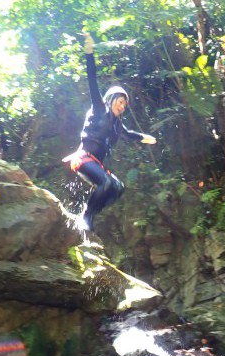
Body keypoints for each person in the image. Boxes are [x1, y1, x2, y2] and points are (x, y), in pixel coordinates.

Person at [63, 32, 157, 231]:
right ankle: (86, 217)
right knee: (106, 183)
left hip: (96, 164)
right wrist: (89, 53)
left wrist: (145, 138)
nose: (123, 106)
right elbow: (92, 79)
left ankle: (90, 214)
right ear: (111, 99)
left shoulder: (116, 124)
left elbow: (129, 134)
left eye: (125, 104)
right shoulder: (99, 108)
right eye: (120, 101)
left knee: (118, 188)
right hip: (83, 158)